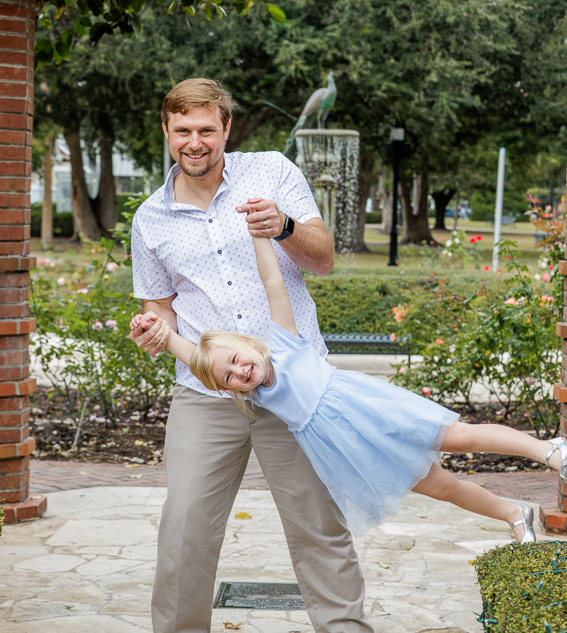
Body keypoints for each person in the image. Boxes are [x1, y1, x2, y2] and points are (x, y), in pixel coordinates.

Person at [125, 78, 398, 633]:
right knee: (186, 523)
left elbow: (324, 259)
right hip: (206, 394)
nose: (195, 142)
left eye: (207, 129)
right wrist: (152, 332)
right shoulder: (151, 218)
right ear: (166, 133)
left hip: (293, 382)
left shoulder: (272, 173)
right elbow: (159, 312)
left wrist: (284, 227)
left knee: (317, 525)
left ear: (226, 129)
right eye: (183, 130)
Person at [132, 202, 567, 564]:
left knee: (462, 437)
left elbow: (272, 282)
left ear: (247, 345)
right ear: (230, 389)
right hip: (351, 449)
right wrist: (159, 332)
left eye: (236, 361)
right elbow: (193, 356)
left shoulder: (284, 342)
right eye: (230, 377)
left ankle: (550, 451)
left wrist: (261, 234)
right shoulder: (255, 392)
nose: (240, 372)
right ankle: (514, 514)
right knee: (442, 487)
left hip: (372, 411)